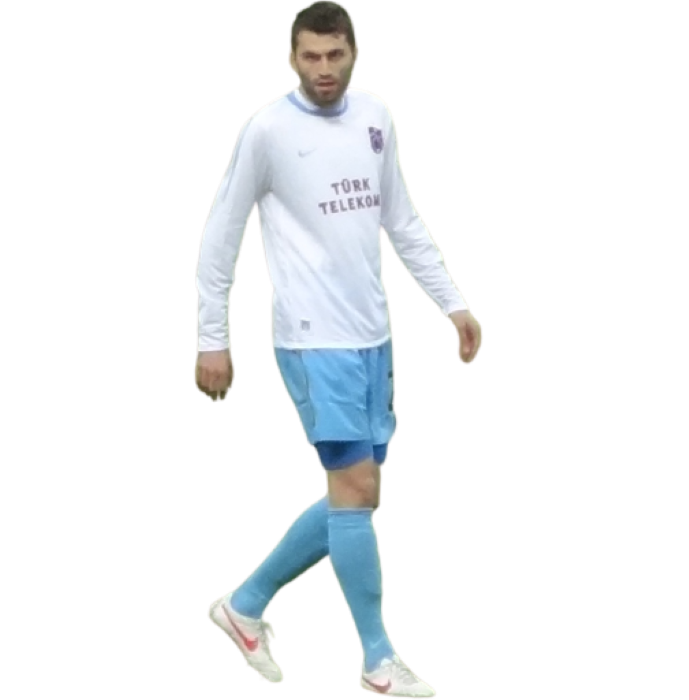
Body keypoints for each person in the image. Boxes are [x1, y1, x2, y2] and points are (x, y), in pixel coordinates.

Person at [198, 1, 483, 696]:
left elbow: (401, 218)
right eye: (310, 56)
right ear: (291, 59)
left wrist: (451, 301)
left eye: (335, 55)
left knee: (358, 495)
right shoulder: (266, 130)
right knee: (354, 488)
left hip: (373, 334)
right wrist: (213, 338)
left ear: (355, 52)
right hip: (310, 338)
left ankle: (243, 605)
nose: (323, 68)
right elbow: (220, 235)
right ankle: (377, 660)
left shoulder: (376, 115)